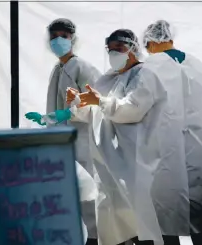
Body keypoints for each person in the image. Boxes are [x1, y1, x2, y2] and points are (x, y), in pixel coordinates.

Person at [68, 28, 190, 245]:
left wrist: (100, 102)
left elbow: (132, 109)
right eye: (111, 49)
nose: (114, 54)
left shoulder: (145, 75)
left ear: (133, 49)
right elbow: (92, 112)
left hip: (137, 163)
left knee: (143, 222)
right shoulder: (107, 80)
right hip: (109, 166)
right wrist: (76, 103)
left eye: (120, 49)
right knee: (115, 220)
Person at [26, 18, 101, 245]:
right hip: (62, 143)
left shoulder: (83, 68)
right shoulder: (58, 69)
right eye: (54, 36)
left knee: (89, 195)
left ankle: (96, 239)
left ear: (73, 39)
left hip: (83, 144)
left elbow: (96, 105)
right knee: (68, 196)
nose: (58, 40)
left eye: (64, 36)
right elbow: (61, 107)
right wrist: (47, 118)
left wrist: (66, 114)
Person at [142, 20, 202, 245]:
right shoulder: (198, 65)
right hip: (198, 148)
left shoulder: (150, 66)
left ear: (151, 43)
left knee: (165, 213)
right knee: (198, 208)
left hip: (163, 149)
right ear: (171, 39)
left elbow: (136, 107)